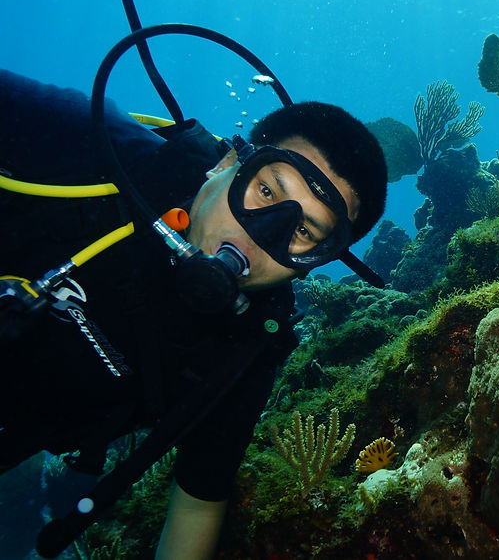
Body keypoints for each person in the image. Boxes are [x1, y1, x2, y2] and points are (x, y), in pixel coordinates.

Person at [0, 68, 388, 558]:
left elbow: (197, 508)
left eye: (304, 232)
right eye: (267, 191)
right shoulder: (91, 146)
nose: (261, 234)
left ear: (314, 264)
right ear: (228, 160)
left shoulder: (246, 349)